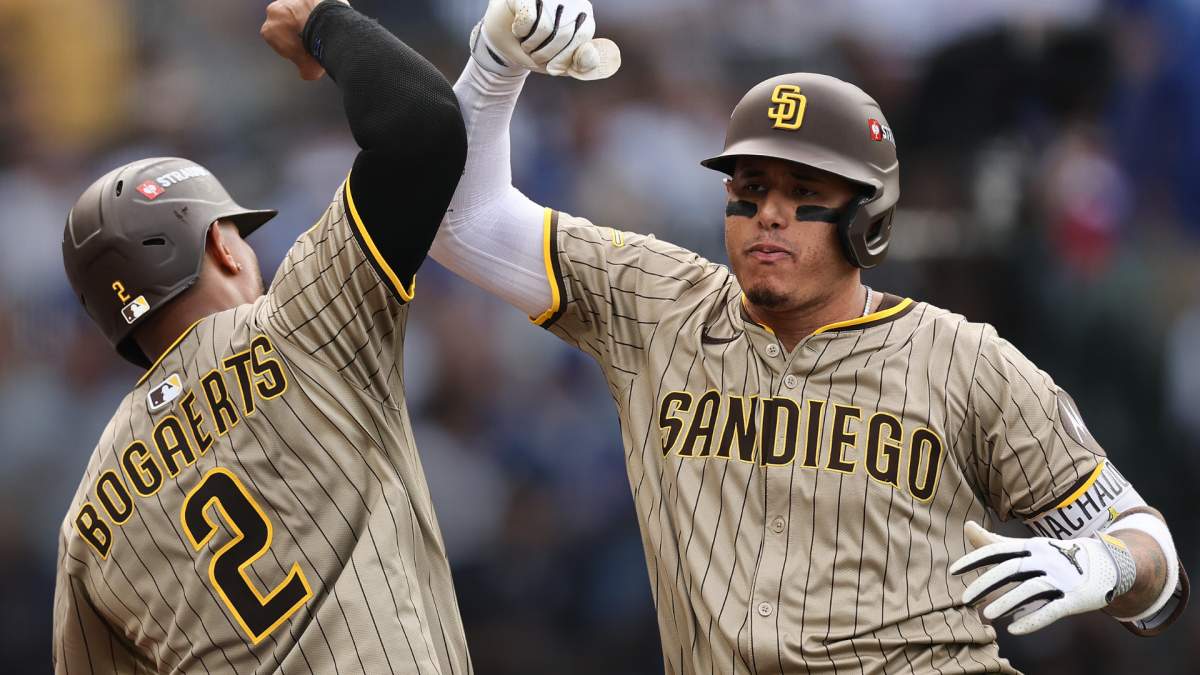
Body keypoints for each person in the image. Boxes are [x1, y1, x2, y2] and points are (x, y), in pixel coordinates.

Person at [430, 1, 1188, 672]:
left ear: (869, 217)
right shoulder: (658, 302)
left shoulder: (966, 361)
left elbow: (1155, 563)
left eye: (803, 191)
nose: (769, 212)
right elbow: (463, 220)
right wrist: (495, 64)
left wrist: (1106, 566)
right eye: (750, 186)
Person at [52, 1, 475, 672]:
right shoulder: (298, 323)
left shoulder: (85, 523)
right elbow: (424, 126)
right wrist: (323, 22)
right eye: (238, 234)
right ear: (221, 246)